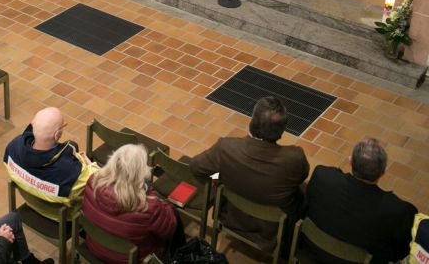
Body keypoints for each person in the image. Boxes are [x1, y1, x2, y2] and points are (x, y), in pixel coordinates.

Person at [189, 96, 309, 252]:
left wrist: (217, 176)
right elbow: (301, 177)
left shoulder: (226, 148)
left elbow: (195, 167)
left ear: (252, 121)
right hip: (272, 232)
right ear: (281, 131)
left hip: (232, 218)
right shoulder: (295, 158)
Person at [303, 138, 417, 264]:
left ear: (350, 161)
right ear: (383, 171)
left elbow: (307, 202)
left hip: (312, 250)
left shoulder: (322, 176)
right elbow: (400, 252)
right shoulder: (398, 211)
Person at [82, 144, 179, 263]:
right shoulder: (149, 206)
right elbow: (169, 229)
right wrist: (152, 195)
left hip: (96, 246)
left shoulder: (93, 182)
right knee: (173, 214)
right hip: (130, 259)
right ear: (140, 174)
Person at [3, 107, 98, 217]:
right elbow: (101, 183)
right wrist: (90, 165)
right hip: (62, 218)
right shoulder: (72, 173)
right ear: (57, 135)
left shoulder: (12, 148)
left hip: (32, 203)